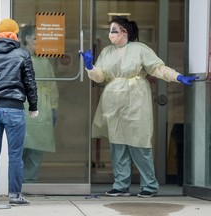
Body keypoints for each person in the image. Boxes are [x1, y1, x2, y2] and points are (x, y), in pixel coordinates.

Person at [80, 16, 198, 198]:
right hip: (113, 101)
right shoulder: (106, 52)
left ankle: (150, 185)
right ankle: (120, 185)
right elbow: (100, 77)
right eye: (110, 31)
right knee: (117, 143)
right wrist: (89, 67)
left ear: (125, 32)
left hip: (136, 99)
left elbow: (158, 68)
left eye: (114, 30)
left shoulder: (139, 49)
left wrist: (178, 77)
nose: (110, 34)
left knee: (140, 142)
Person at [0, 18, 38, 205]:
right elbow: (30, 82)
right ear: (15, 34)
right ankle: (14, 195)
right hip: (14, 108)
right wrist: (33, 106)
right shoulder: (22, 53)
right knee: (15, 155)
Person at [19, 25, 59, 183]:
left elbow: (52, 86)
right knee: (20, 146)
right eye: (37, 38)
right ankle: (17, 183)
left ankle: (30, 182)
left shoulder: (44, 60)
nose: (40, 42)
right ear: (28, 39)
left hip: (42, 107)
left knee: (36, 149)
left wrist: (54, 108)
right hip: (23, 104)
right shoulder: (19, 58)